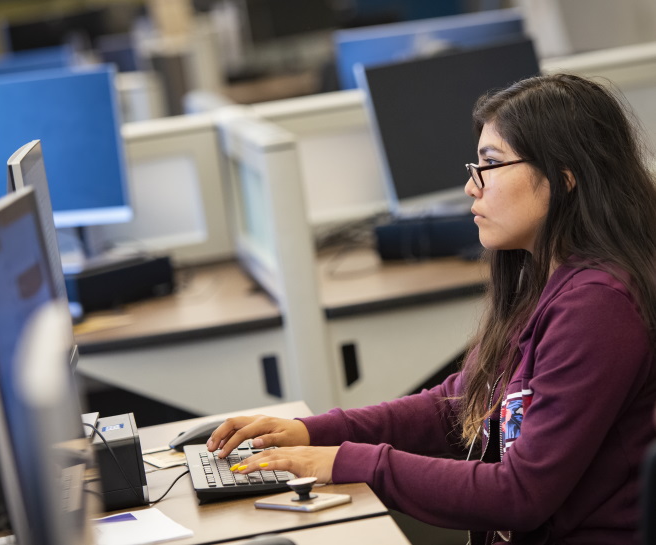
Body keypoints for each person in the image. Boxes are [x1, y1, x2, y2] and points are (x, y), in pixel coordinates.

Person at [207, 73, 656, 544]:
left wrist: (342, 461)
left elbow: (520, 493)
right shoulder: (544, 279)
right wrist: (308, 432)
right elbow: (457, 409)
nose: (470, 187)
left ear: (565, 178)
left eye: (491, 164)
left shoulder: (600, 308)